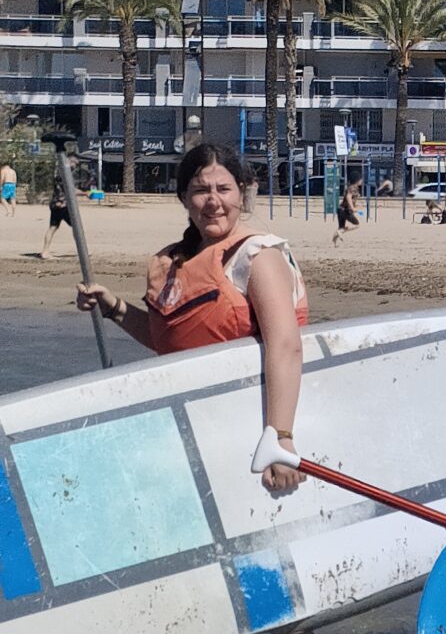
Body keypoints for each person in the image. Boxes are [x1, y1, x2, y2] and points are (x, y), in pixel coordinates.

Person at [74, 142, 309, 497]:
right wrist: (113, 307)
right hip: (198, 431)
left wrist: (280, 438)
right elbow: (170, 340)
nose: (213, 201)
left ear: (241, 193)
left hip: (251, 429)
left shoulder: (258, 255)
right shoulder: (178, 261)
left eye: (223, 189)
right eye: (201, 191)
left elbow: (286, 346)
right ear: (183, 197)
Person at [39, 173, 73, 258]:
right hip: (62, 206)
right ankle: (82, 250)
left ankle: (45, 251)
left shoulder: (59, 175)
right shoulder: (65, 175)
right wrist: (85, 193)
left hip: (55, 205)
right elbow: (71, 189)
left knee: (52, 228)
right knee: (77, 228)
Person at [331, 177, 361, 246]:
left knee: (341, 228)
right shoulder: (353, 188)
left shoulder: (351, 188)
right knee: (357, 225)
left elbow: (351, 198)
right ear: (357, 180)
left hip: (340, 209)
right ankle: (339, 232)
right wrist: (352, 208)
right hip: (345, 210)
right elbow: (348, 197)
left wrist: (355, 205)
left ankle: (333, 243)